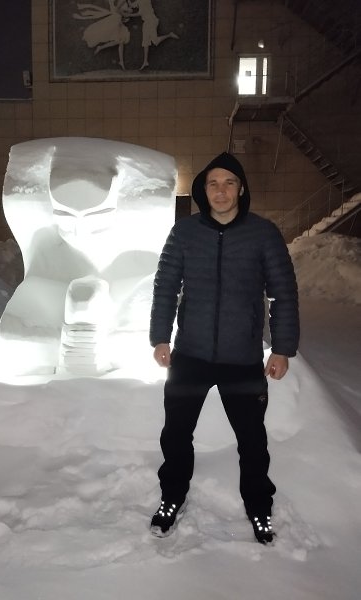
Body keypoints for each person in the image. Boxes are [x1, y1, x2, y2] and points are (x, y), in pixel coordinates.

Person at [149, 152, 299, 544]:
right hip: (190, 355)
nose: (220, 191)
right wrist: (160, 337)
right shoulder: (185, 233)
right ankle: (172, 497)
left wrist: (282, 348)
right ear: (203, 189)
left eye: (229, 183)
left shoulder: (263, 234)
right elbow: (166, 286)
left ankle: (259, 507)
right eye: (213, 183)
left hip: (242, 359)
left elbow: (282, 292)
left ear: (241, 189)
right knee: (176, 435)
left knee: (253, 441)